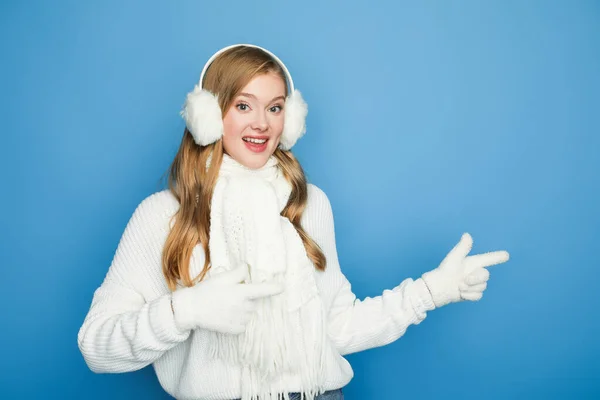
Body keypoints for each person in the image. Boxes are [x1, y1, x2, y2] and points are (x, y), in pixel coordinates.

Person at [77, 43, 510, 400]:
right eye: (243, 105)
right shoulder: (163, 215)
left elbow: (336, 330)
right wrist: (185, 311)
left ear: (291, 119)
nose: (262, 123)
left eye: (276, 107)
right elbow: (97, 347)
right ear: (208, 115)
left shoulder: (308, 204)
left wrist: (431, 292)